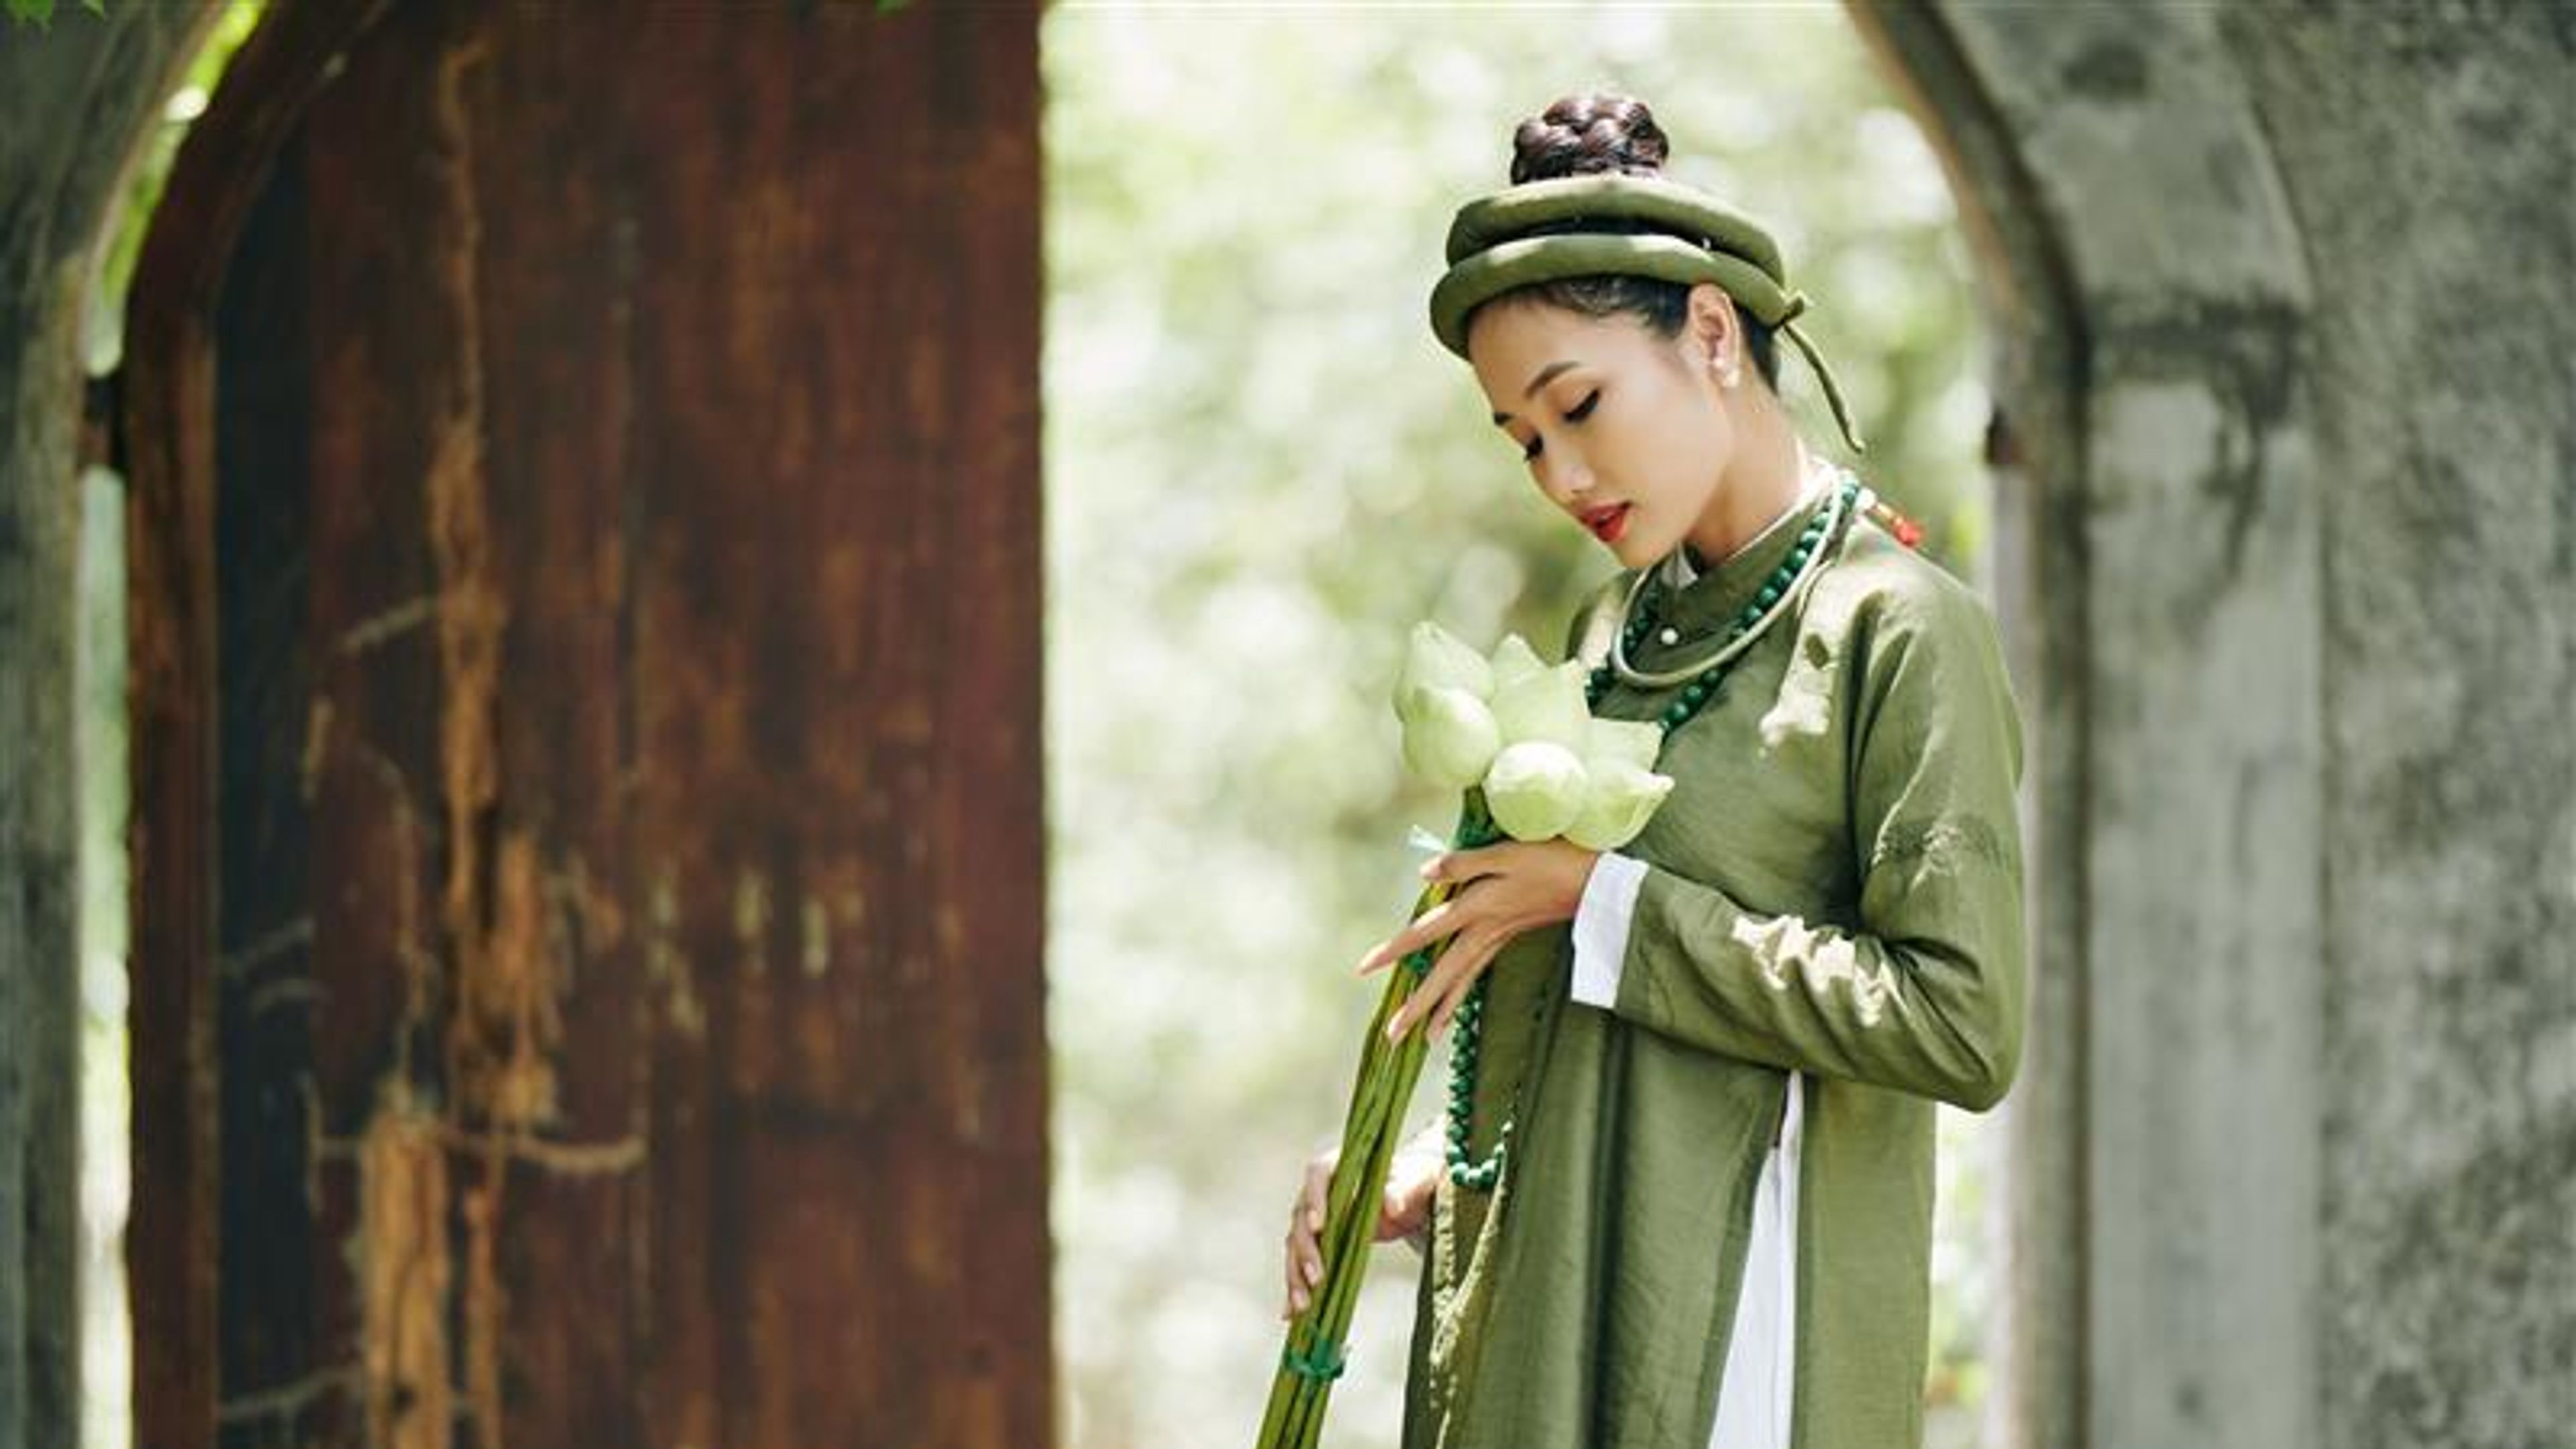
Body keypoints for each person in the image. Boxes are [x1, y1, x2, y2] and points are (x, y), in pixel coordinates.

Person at [1279, 93, 2027, 1449]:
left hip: (1744, 1348)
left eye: (1578, 407)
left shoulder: (1895, 627)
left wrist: (1603, 905)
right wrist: (1437, 1179)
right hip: (1556, 1336)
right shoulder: (1611, 637)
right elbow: (1611, 1049)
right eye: (1523, 440)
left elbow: (1962, 1027)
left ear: (1711, 333)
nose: (1561, 476)